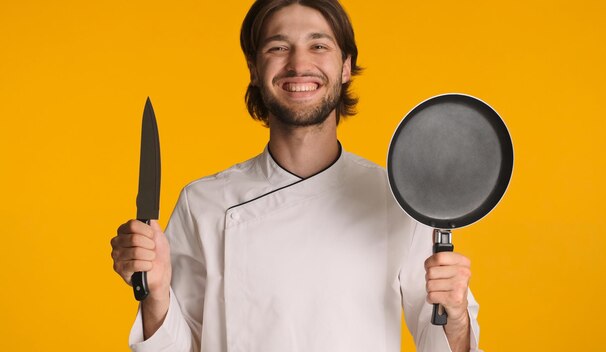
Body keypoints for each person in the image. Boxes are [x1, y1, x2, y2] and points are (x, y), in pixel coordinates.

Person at [110, 0, 480, 351]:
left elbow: (441, 342)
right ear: (255, 69)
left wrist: (458, 315)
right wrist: (156, 294)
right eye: (278, 48)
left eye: (318, 46)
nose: (299, 64)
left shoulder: (399, 200)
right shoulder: (204, 203)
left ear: (346, 66)